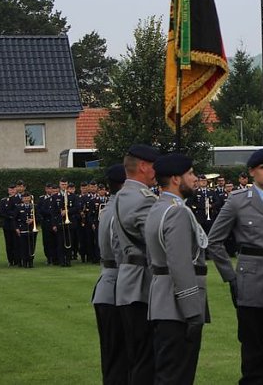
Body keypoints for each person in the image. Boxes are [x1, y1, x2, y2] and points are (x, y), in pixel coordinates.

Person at [207, 148, 263, 385]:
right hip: (250, 282)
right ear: (252, 172)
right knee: (253, 349)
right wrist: (230, 276)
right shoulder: (237, 201)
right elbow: (214, 241)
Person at [145, 153, 209, 385]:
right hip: (177, 308)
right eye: (190, 173)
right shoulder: (177, 211)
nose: (195, 179)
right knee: (177, 376)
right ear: (175, 178)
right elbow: (180, 264)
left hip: (162, 301)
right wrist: (193, 311)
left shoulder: (158, 207)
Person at [112, 144, 161, 384]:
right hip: (141, 285)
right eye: (154, 166)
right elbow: (155, 244)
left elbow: (115, 246)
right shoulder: (143, 199)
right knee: (145, 358)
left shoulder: (122, 195)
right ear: (143, 166)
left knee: (135, 356)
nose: (157, 171)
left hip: (127, 280)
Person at [92, 164, 129, 385]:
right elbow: (121, 251)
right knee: (119, 359)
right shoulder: (120, 211)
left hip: (108, 284)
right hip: (118, 285)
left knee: (113, 357)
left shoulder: (108, 208)